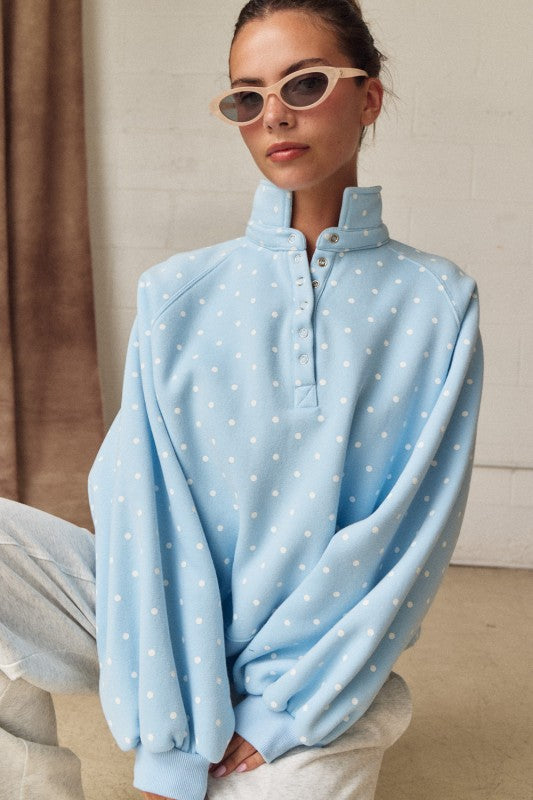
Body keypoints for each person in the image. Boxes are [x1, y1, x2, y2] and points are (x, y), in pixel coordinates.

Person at [0, 1, 483, 799]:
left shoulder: (438, 301)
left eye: (305, 83)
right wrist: (174, 740)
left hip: (316, 667)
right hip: (149, 626)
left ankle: (316, 721)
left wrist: (277, 714)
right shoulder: (177, 293)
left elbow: (406, 539)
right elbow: (144, 509)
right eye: (247, 97)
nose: (274, 116)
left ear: (369, 97)